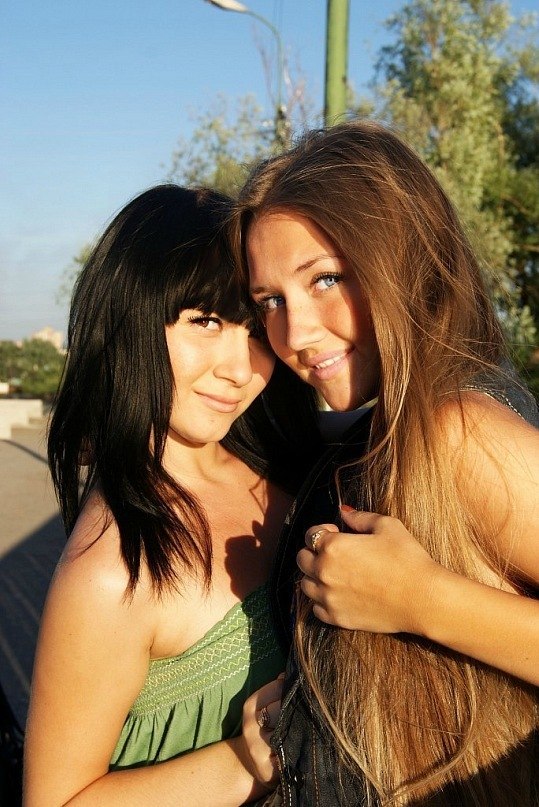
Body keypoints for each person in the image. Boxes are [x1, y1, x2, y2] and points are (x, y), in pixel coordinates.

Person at [231, 120, 539, 806]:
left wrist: (423, 600)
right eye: (270, 301)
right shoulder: (381, 433)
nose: (295, 333)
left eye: (326, 278)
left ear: (405, 260)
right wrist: (306, 703)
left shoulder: (460, 432)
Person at [23, 184, 322, 806]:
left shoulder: (288, 466)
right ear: (131, 315)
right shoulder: (111, 570)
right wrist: (250, 757)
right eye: (205, 321)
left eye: (255, 328)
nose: (238, 368)